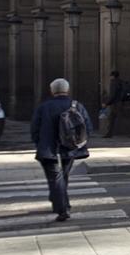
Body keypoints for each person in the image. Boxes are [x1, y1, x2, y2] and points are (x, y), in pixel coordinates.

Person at [31, 78, 93, 222]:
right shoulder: (77, 106)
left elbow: (35, 128)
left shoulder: (44, 107)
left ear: (52, 91)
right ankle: (59, 201)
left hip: (48, 148)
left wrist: (39, 143)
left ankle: (62, 207)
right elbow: (87, 127)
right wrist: (78, 143)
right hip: (70, 148)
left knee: (55, 178)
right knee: (63, 176)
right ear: (68, 90)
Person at [100, 71, 123, 138]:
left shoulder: (113, 83)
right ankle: (118, 132)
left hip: (115, 104)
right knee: (117, 118)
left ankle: (110, 133)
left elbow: (112, 95)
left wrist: (106, 103)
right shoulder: (121, 82)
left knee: (111, 119)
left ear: (112, 76)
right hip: (120, 102)